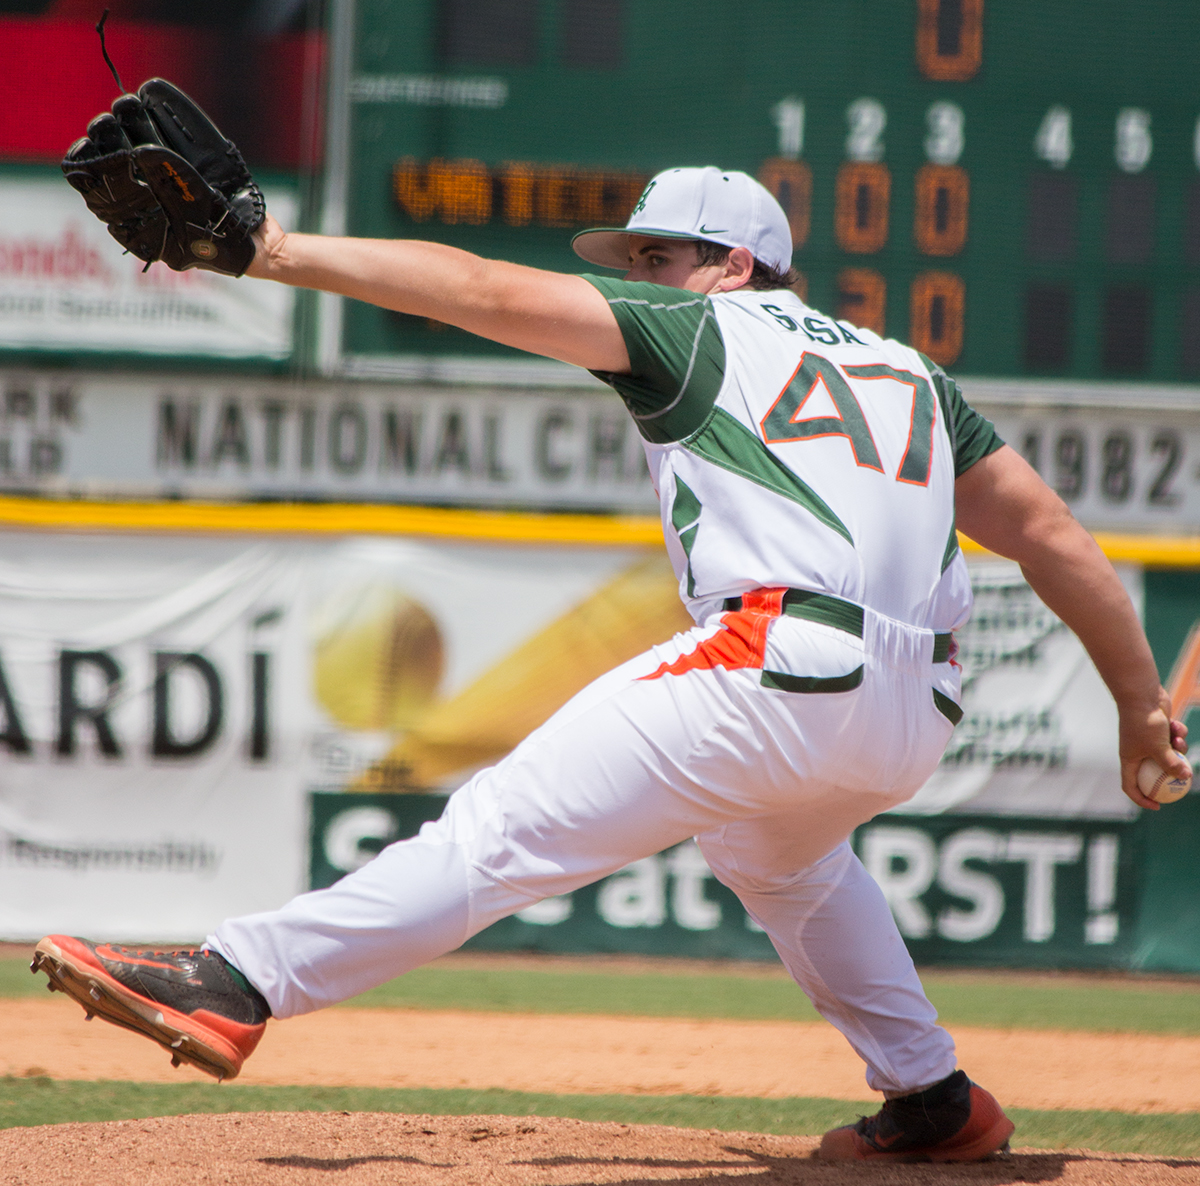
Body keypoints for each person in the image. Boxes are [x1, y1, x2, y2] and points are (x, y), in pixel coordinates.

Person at [35, 167, 1188, 1162]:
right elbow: (1049, 538)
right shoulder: (915, 377)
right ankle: (933, 1099)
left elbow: (485, 290)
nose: (636, 273)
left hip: (774, 659)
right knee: (779, 859)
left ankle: (235, 983)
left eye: (659, 253)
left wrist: (271, 248)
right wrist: (1143, 706)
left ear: (736, 265)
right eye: (631, 257)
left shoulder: (700, 328)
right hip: (915, 709)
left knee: (498, 829)